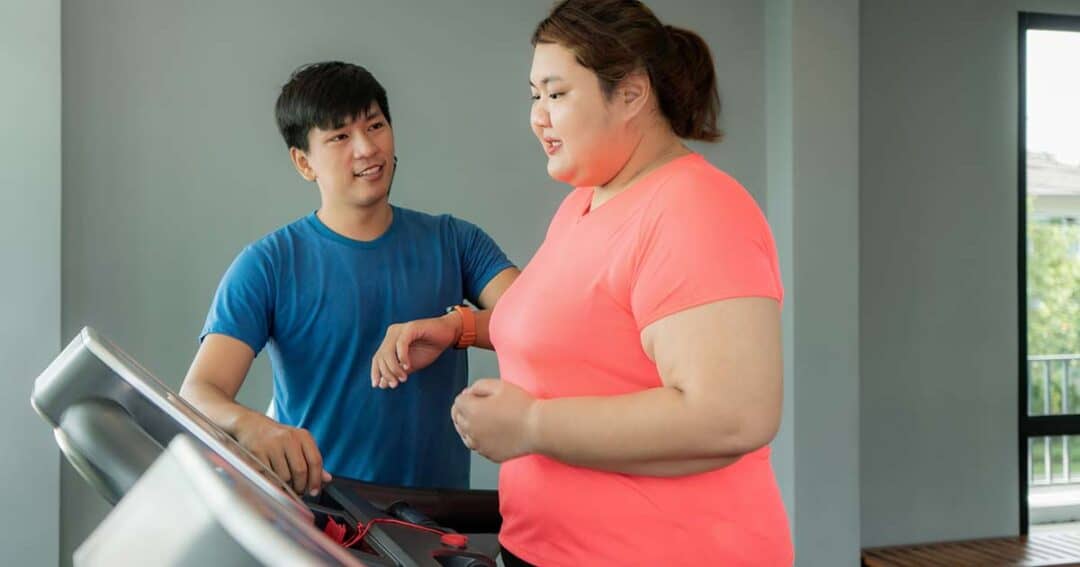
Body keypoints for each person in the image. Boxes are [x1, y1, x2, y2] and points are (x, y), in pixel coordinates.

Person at [373, 1, 793, 564]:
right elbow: (587, 334)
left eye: (556, 93)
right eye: (533, 95)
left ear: (632, 94)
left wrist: (531, 424)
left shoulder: (697, 209)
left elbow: (730, 416)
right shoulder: (583, 205)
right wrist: (462, 329)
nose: (537, 117)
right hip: (544, 548)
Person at [179, 61, 518, 498]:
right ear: (304, 162)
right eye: (339, 136)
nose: (366, 148)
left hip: (443, 525)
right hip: (323, 521)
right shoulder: (268, 264)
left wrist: (458, 328)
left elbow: (536, 323)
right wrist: (252, 427)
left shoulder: (456, 241)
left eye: (375, 126)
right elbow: (198, 392)